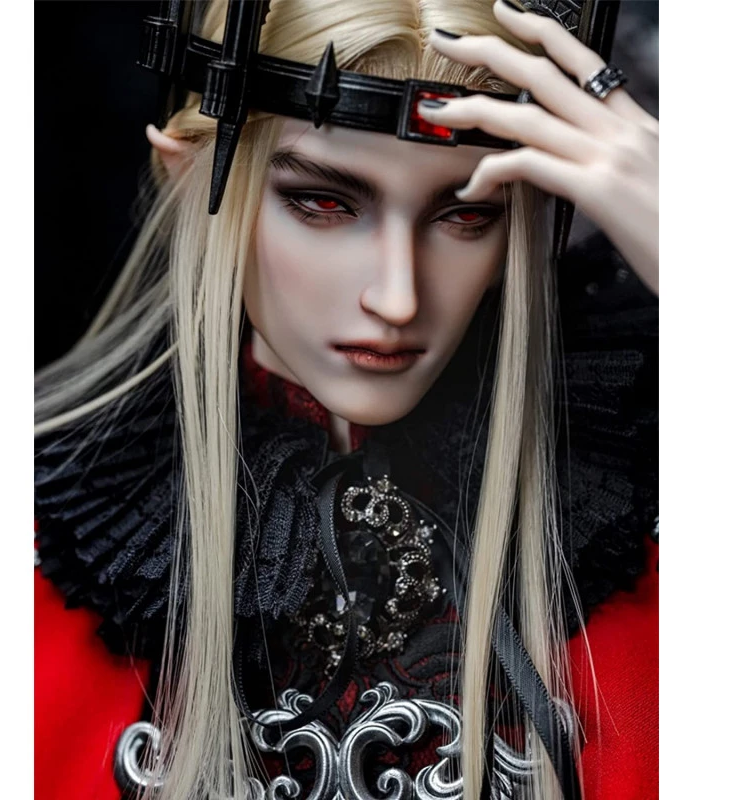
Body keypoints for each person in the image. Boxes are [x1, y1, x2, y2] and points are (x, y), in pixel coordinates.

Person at [34, 1, 658, 799]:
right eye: (323, 203)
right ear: (190, 183)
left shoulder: (653, 509)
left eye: (467, 214)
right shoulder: (42, 550)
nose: (397, 298)